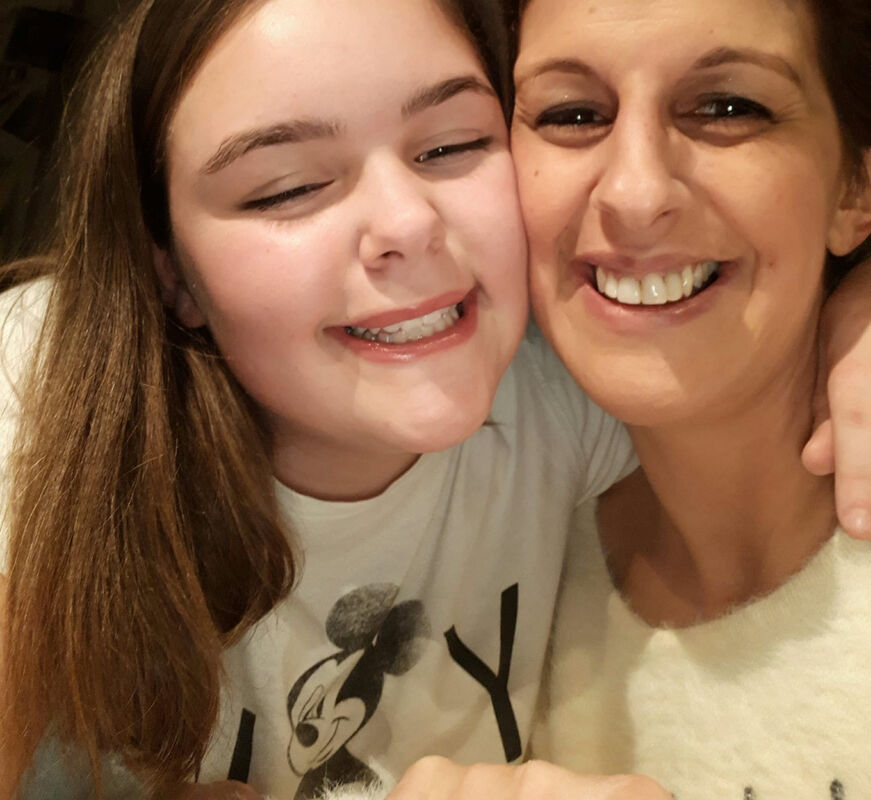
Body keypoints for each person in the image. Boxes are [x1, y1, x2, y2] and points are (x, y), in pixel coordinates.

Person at [1, 1, 870, 800]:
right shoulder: (38, 384)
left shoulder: (555, 398)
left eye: (451, 146)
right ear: (169, 271)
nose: (408, 223)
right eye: (287, 188)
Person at [377, 0, 871, 797]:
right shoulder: (500, 542)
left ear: (855, 186)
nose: (636, 194)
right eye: (572, 115)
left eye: (727, 107)